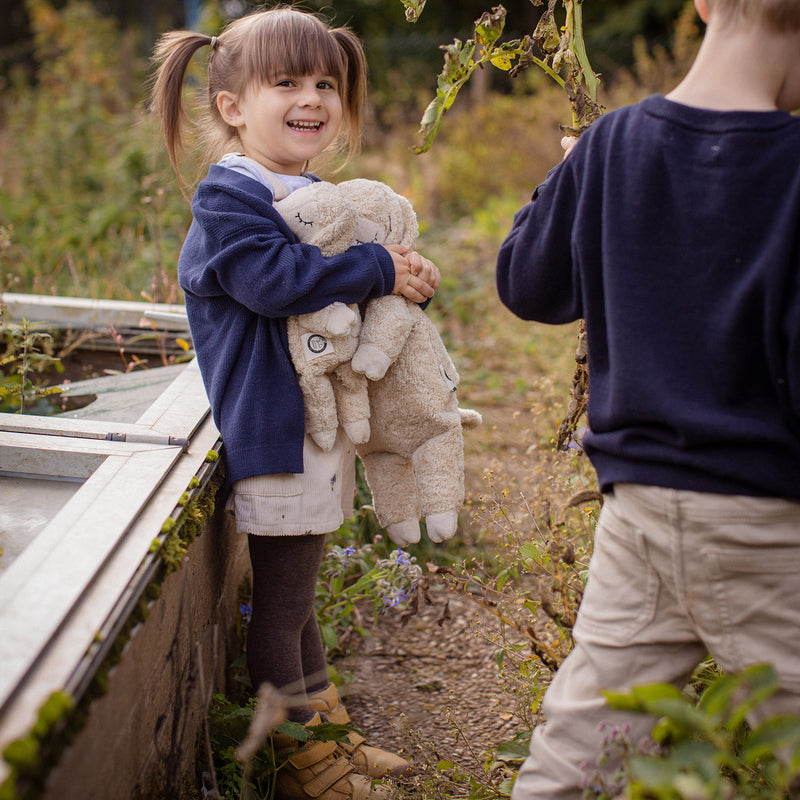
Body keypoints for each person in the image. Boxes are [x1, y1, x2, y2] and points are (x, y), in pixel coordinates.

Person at [496, 0, 800, 796]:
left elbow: (529, 284)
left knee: (585, 744)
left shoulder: (610, 145)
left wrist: (574, 175)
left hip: (638, 513)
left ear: (702, 4)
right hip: (767, 525)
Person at [150, 7, 441, 799]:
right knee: (279, 613)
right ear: (232, 106)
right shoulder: (229, 199)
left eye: (325, 83)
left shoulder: (305, 191)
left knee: (300, 598)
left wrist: (398, 275)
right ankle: (301, 767)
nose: (312, 97)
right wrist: (376, 267)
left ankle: (326, 733)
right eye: (286, 83)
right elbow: (274, 284)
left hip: (312, 427)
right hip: (273, 430)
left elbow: (342, 284)